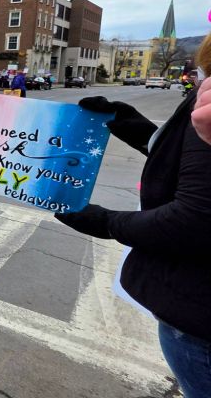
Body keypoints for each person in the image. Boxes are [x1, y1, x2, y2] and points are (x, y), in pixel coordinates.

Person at [55, 33, 211, 397]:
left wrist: (107, 222)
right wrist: (136, 128)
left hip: (197, 315)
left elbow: (194, 218)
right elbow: (187, 163)